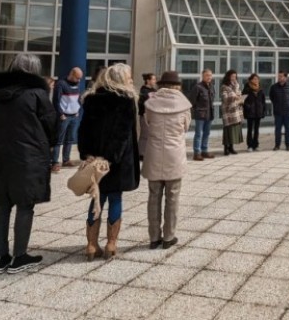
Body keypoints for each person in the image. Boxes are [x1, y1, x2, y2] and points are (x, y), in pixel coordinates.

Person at [0, 53, 57, 274]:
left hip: (1, 154)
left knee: (2, 204)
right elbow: (50, 123)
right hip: (29, 156)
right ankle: (20, 256)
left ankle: (0, 256)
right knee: (25, 204)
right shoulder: (36, 94)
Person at [78, 63, 141, 259]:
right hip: (117, 160)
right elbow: (122, 134)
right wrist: (111, 158)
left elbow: (84, 130)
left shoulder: (91, 98)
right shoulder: (126, 99)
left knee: (97, 197)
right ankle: (111, 244)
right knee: (115, 197)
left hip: (94, 157)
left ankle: (91, 245)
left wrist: (87, 154)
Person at [141, 71, 192, 250]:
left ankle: (154, 237)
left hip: (154, 153)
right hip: (174, 155)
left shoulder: (150, 103)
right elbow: (186, 127)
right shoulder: (184, 105)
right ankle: (169, 236)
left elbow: (147, 124)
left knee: (153, 196)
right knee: (173, 197)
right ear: (177, 86)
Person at [51, 67, 83, 172]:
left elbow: (77, 98)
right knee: (58, 140)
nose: (79, 81)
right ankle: (54, 162)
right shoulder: (61, 84)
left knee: (70, 139)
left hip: (74, 115)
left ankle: (66, 159)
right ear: (71, 74)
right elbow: (56, 100)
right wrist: (60, 114)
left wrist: (78, 109)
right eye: (77, 78)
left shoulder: (77, 84)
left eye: (80, 79)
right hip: (64, 116)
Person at [190, 69, 215, 161]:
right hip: (200, 114)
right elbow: (192, 101)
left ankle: (204, 151)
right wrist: (197, 109)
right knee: (198, 134)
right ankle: (197, 153)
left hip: (210, 114)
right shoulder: (198, 87)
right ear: (202, 76)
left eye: (210, 75)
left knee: (207, 133)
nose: (209, 77)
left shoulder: (212, 86)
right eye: (207, 75)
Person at [269, 71, 289, 151]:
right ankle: (277, 145)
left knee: (288, 129)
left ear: (285, 77)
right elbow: (272, 97)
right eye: (279, 76)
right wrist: (277, 104)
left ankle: (288, 145)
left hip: (288, 112)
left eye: (281, 76)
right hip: (278, 112)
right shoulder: (273, 87)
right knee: (278, 129)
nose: (279, 78)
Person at [220, 69, 245, 155]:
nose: (234, 78)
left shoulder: (237, 85)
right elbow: (224, 98)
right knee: (228, 130)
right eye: (232, 76)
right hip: (228, 112)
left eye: (235, 76)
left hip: (236, 111)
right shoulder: (224, 86)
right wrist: (234, 97)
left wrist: (241, 99)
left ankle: (231, 147)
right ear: (228, 77)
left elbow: (239, 95)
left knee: (234, 130)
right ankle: (226, 149)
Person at [243, 73, 266, 152]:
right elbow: (243, 100)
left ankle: (256, 145)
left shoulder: (260, 89)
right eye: (254, 79)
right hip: (250, 112)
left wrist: (263, 110)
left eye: (257, 79)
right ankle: (249, 145)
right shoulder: (247, 88)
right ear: (251, 80)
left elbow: (263, 101)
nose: (256, 80)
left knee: (256, 129)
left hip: (258, 111)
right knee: (250, 129)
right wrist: (248, 107)